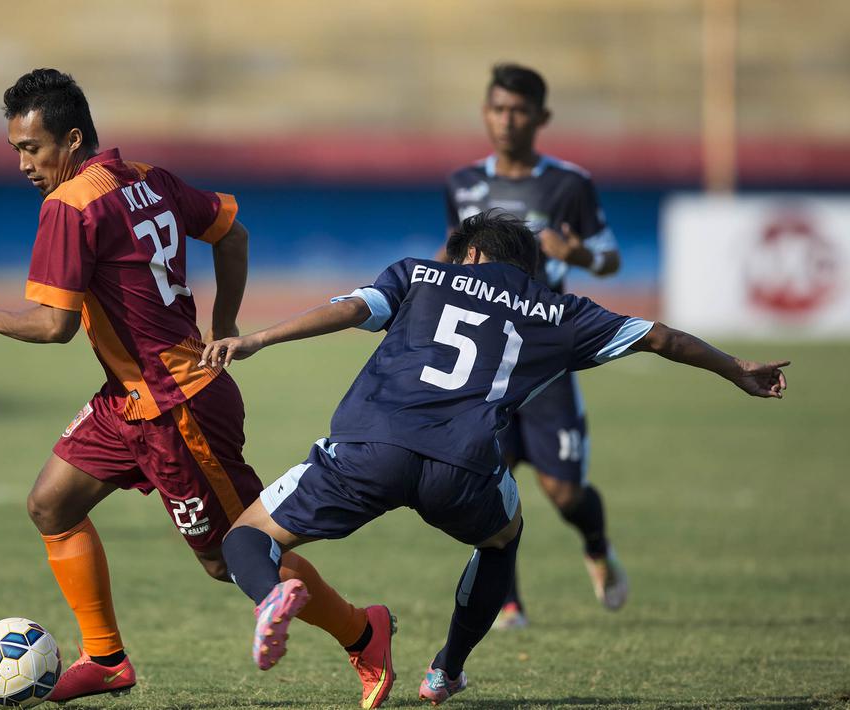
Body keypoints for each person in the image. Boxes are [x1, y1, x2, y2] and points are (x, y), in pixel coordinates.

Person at [207, 211, 787, 705]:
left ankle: (269, 598)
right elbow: (662, 337)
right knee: (502, 537)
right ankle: (445, 671)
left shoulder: (420, 273)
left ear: (473, 252)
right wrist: (735, 369)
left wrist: (258, 338)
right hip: (462, 468)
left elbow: (355, 309)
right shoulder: (560, 312)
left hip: (370, 448)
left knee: (246, 538)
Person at [0, 68, 393, 708]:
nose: (22, 163)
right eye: (15, 148)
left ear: (72, 141)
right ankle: (105, 660)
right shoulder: (148, 178)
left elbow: (55, 327)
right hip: (129, 397)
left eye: (31, 148)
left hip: (177, 405)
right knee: (51, 505)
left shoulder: (69, 205)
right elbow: (232, 232)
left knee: (234, 555)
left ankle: (363, 630)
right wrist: (226, 321)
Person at [438, 64, 626, 626]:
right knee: (490, 476)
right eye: (497, 108)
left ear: (541, 117)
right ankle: (509, 600)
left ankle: (596, 545)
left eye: (518, 110)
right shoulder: (462, 184)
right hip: (483, 354)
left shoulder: (569, 184)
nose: (506, 119)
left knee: (564, 493)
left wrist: (580, 257)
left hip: (544, 356)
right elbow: (452, 257)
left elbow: (610, 257)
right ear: (485, 112)